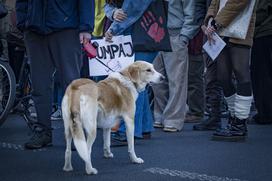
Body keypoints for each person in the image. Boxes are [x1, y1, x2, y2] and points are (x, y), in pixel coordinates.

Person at [16, 0, 95, 149]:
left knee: (71, 84)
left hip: (66, 28)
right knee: (39, 85)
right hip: (34, 29)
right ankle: (43, 131)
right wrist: (23, 22)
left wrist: (86, 27)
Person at [203, 0, 256, 141]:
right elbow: (215, 2)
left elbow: (238, 2)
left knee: (241, 73)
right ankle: (234, 118)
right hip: (220, 30)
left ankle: (240, 123)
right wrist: (210, 19)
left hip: (240, 28)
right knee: (223, 77)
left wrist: (215, 22)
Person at [104, 0, 156, 141]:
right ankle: (144, 127)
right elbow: (107, 4)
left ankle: (126, 130)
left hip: (142, 36)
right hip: (138, 35)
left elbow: (132, 8)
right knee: (138, 84)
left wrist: (113, 29)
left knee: (134, 83)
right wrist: (113, 12)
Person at [152, 0, 201, 132]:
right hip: (154, 32)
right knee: (156, 81)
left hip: (175, 34)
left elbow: (192, 13)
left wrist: (185, 36)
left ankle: (173, 119)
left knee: (176, 80)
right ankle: (160, 115)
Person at [250, 0, 272, 125]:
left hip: (263, 33)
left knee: (261, 75)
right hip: (265, 32)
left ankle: (265, 113)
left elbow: (260, 12)